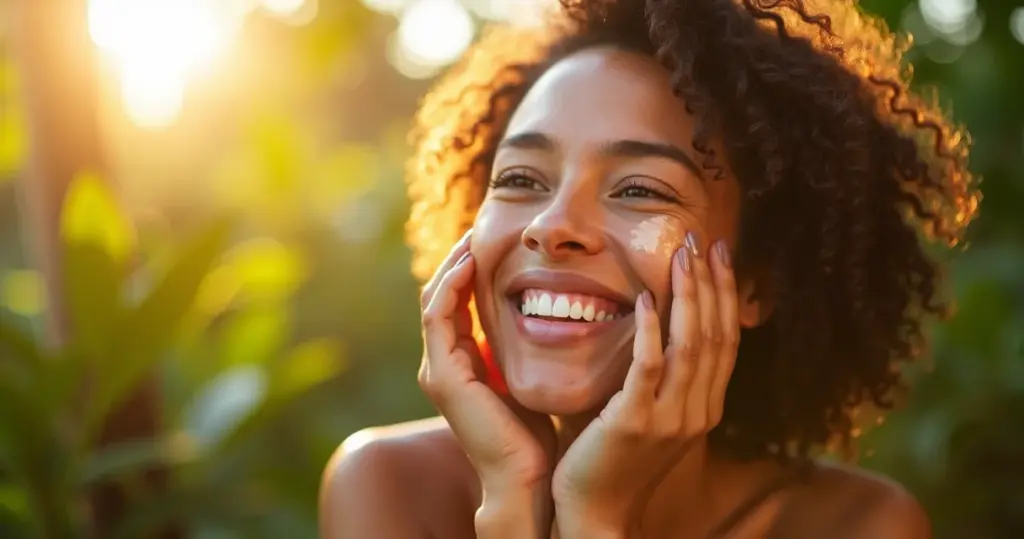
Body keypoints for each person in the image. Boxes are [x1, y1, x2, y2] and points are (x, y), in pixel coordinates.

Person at [320, 0, 979, 537]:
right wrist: (512, 503)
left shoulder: (855, 526)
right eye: (520, 177)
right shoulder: (387, 486)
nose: (551, 226)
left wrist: (596, 520)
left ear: (756, 282)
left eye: (639, 189)